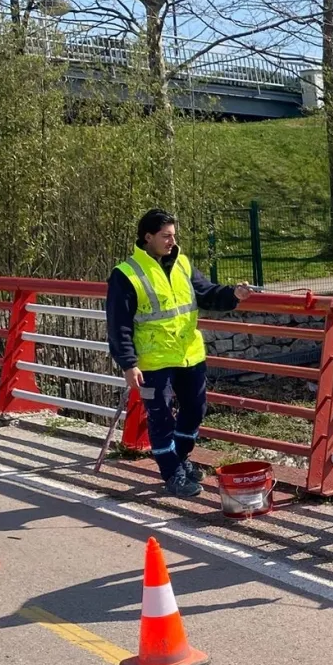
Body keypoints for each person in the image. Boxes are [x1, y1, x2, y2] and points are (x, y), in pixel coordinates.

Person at [106, 208, 254, 498]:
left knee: (195, 409)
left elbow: (207, 293)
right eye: (166, 236)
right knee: (160, 417)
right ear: (148, 237)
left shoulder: (183, 264)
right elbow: (118, 324)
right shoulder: (126, 274)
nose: (172, 241)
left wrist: (233, 294)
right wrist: (128, 363)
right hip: (153, 360)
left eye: (173, 235)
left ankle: (180, 457)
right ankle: (172, 472)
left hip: (189, 354)